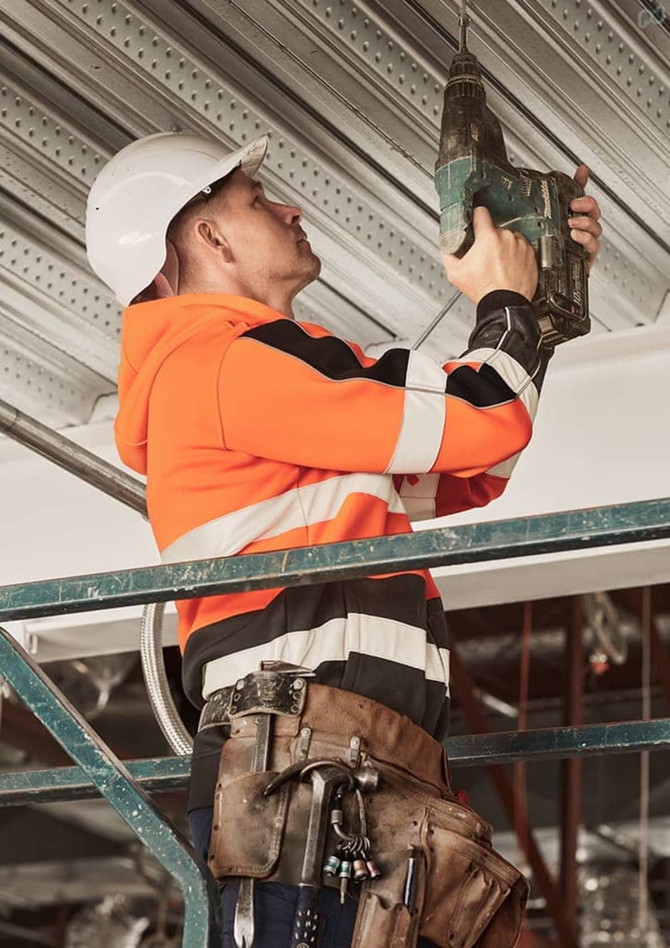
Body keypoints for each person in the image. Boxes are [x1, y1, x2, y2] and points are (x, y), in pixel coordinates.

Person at [86, 132, 602, 948]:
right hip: (308, 764)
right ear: (208, 240)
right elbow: (476, 420)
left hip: (345, 764)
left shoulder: (269, 383)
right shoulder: (222, 363)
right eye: (256, 202)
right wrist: (504, 300)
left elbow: (474, 457)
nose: (290, 208)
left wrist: (533, 306)